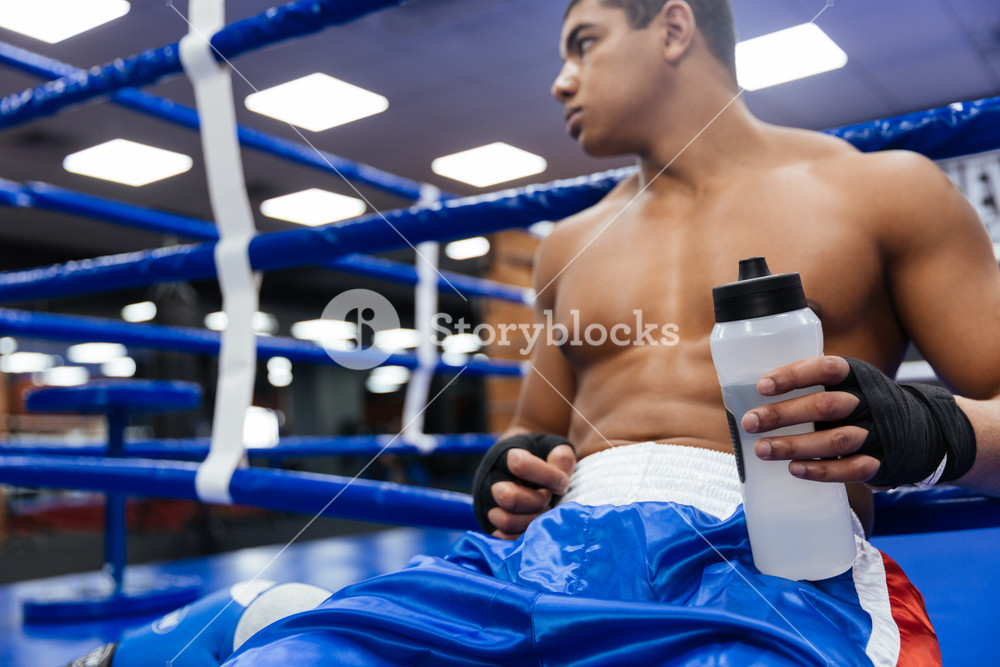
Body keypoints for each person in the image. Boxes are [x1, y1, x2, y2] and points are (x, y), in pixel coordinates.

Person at [71, 1, 1000, 665]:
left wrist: (934, 430)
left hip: (768, 556)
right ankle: (280, 618)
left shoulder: (883, 188)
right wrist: (516, 482)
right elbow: (533, 444)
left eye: (583, 43)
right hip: (547, 559)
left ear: (673, 29)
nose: (560, 78)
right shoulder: (566, 243)